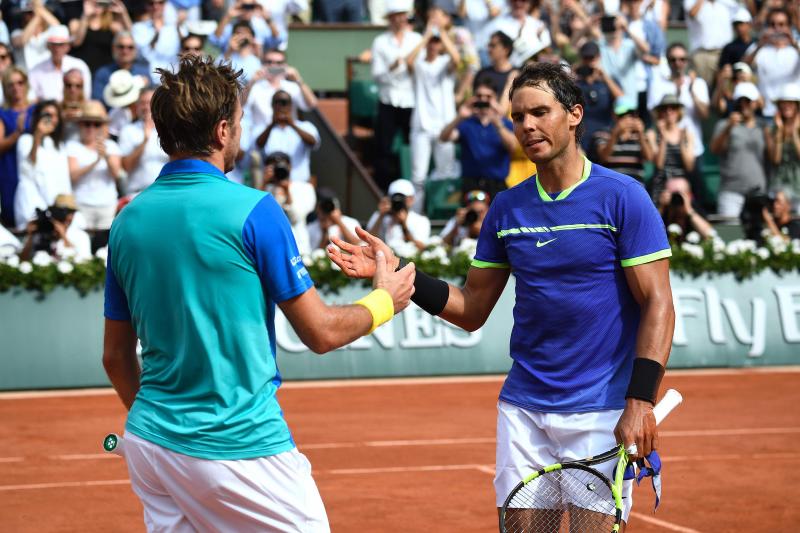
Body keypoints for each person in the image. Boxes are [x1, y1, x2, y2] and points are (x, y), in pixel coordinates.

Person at [329, 62, 675, 528]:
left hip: (601, 412)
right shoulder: (507, 207)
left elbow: (659, 303)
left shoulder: (623, 198)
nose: (527, 125)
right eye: (517, 116)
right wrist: (401, 276)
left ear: (574, 114)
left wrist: (640, 401)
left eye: (539, 112)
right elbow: (472, 308)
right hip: (523, 413)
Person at [102, 55, 414, 533]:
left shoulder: (127, 221)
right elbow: (321, 332)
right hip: (240, 445)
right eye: (243, 120)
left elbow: (115, 359)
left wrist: (165, 426)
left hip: (150, 442)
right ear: (223, 130)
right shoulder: (256, 210)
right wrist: (384, 300)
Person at [406, 17, 461, 212]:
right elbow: (408, 61)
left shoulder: (445, 62)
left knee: (445, 174)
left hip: (444, 126)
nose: (432, 44)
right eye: (431, 41)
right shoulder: (419, 64)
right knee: (418, 178)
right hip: (421, 125)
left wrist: (441, 33)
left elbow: (457, 59)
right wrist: (428, 35)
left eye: (435, 42)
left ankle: (442, 213)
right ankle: (416, 216)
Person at [370, 0, 422, 191]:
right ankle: (381, 188)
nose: (400, 19)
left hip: (411, 101)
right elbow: (376, 75)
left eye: (403, 15)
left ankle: (411, 190)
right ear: (390, 18)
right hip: (388, 99)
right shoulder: (380, 42)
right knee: (383, 148)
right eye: (396, 15)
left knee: (413, 146)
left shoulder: (416, 39)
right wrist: (391, 68)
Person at [439, 77, 517, 199]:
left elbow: (513, 147)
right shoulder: (467, 123)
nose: (483, 100)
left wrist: (497, 123)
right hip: (471, 184)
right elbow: (444, 137)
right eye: (479, 96)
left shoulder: (504, 123)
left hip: (496, 185)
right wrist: (460, 117)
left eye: (488, 97)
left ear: (495, 98)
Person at [710, 82, 768, 217]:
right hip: (731, 191)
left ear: (754, 103)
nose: (743, 105)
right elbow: (714, 149)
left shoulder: (763, 126)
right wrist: (728, 128)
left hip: (757, 191)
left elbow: (772, 157)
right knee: (730, 233)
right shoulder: (724, 124)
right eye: (740, 101)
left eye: (747, 101)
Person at [66, 100, 122, 240]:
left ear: (102, 126)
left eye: (96, 124)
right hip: (81, 204)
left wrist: (106, 157)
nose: (91, 128)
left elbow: (116, 174)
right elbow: (72, 176)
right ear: (80, 125)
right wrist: (96, 161)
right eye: (87, 123)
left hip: (106, 205)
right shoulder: (72, 146)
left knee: (104, 247)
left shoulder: (111, 146)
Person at [14, 100, 72, 231]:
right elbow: (29, 166)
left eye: (54, 115)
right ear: (38, 117)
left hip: (56, 206)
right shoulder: (26, 140)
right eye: (47, 114)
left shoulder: (60, 146)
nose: (50, 119)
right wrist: (38, 136)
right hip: (32, 203)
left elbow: (64, 179)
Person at [242, 48, 318, 138]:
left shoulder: (293, 87)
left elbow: (312, 104)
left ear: (285, 65)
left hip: (288, 136)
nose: (273, 66)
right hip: (262, 140)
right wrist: (252, 81)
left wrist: (298, 80)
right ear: (263, 64)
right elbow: (240, 105)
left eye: (279, 63)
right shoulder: (255, 87)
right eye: (269, 62)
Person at [743, 8, 800, 118]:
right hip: (766, 111)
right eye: (772, 24)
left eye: (781, 24)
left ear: (789, 27)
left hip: (794, 112)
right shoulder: (758, 48)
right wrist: (760, 44)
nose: (777, 28)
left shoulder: (797, 47)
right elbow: (743, 66)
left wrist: (793, 42)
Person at [254, 90, 320, 183]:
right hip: (273, 184)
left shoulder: (305, 126)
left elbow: (313, 143)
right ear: (272, 105)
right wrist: (273, 123)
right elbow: (258, 145)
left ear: (291, 106)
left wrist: (292, 124)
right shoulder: (262, 128)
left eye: (284, 102)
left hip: (298, 184)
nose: (281, 106)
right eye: (277, 102)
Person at [260, 151, 316, 255]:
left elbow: (297, 218)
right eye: (274, 166)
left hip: (298, 246)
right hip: (271, 248)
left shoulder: (305, 188)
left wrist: (287, 191)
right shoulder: (265, 189)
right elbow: (258, 215)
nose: (278, 169)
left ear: (289, 167)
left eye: (281, 165)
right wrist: (263, 183)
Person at [574, 40, 624, 153]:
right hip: (582, 139)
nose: (589, 62)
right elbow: (560, 96)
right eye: (586, 58)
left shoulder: (607, 81)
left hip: (604, 137)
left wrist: (604, 76)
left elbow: (622, 99)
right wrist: (572, 73)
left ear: (599, 57)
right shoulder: (576, 82)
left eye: (592, 58)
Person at [0, 66, 34, 228]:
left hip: (35, 168)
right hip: (11, 168)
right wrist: (17, 133)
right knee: (12, 210)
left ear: (26, 84)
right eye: (11, 84)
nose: (16, 88)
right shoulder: (3, 113)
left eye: (20, 82)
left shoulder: (36, 109)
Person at [118, 87, 168, 196]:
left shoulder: (169, 130)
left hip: (164, 191)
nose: (146, 107)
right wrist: (145, 141)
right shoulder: (128, 131)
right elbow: (126, 166)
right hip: (137, 193)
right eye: (142, 103)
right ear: (137, 107)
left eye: (149, 103)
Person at [646, 94, 695, 201]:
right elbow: (659, 164)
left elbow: (689, 166)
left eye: (673, 108)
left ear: (679, 111)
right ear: (660, 113)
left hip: (681, 187)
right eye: (664, 109)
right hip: (661, 187)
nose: (669, 112)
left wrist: (682, 143)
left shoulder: (688, 135)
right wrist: (663, 137)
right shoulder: (652, 134)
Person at [28, 24, 92, 102]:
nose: (57, 49)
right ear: (48, 46)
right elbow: (32, 98)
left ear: (68, 46)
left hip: (76, 110)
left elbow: (86, 96)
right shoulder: (36, 70)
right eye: (54, 45)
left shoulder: (80, 66)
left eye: (61, 45)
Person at [19, 193, 91, 261]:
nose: (67, 217)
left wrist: (64, 237)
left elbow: (84, 263)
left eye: (69, 212)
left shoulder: (81, 236)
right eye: (59, 211)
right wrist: (30, 237)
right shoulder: (41, 231)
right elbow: (23, 260)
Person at [592, 102, 653, 183]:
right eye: (622, 115)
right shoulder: (603, 134)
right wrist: (615, 134)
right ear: (614, 116)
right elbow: (603, 157)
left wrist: (641, 134)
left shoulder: (640, 135)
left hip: (635, 184)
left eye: (631, 114)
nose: (627, 118)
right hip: (611, 185)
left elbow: (649, 158)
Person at [682, 0, 739, 86]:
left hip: (724, 53)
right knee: (702, 88)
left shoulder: (729, 3)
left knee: (724, 90)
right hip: (702, 53)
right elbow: (692, 13)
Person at [366, 178, 431, 252]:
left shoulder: (421, 221)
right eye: (395, 198)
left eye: (402, 198)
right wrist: (381, 216)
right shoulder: (380, 215)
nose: (398, 202)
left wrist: (404, 225)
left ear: (411, 199)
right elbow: (367, 241)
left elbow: (421, 248)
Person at [69, 0, 133, 73]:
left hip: (106, 71)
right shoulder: (76, 23)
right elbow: (76, 43)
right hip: (83, 70)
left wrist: (123, 14)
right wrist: (85, 16)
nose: (97, 3)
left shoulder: (112, 26)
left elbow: (130, 38)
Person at [131, 0, 181, 85]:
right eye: (151, 3)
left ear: (166, 4)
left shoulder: (175, 29)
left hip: (171, 81)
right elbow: (142, 55)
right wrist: (156, 34)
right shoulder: (138, 28)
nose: (155, 6)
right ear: (146, 5)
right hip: (146, 80)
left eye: (160, 3)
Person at [91, 31, 150, 102]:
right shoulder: (103, 73)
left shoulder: (144, 72)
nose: (125, 51)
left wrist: (147, 87)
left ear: (135, 50)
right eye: (121, 47)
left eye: (130, 47)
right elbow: (97, 102)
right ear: (113, 48)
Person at [657, 176, 714, 242]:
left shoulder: (695, 210)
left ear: (689, 195)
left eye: (679, 194)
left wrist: (689, 210)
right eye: (673, 195)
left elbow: (710, 235)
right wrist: (661, 208)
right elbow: (649, 234)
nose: (676, 198)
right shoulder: (663, 211)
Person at [769, 84, 800, 199]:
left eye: (791, 103)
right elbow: (776, 159)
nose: (787, 106)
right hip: (779, 187)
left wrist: (795, 133)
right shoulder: (773, 130)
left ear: (797, 105)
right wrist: (780, 131)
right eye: (783, 103)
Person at [61, 68, 87, 142]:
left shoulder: (90, 107)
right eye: (69, 85)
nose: (73, 89)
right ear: (64, 86)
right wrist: (61, 118)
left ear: (82, 87)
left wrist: (83, 118)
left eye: (78, 86)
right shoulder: (56, 107)